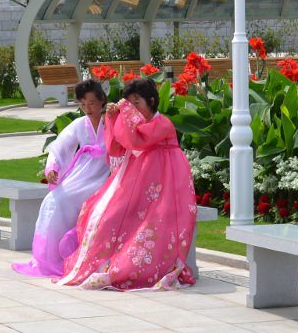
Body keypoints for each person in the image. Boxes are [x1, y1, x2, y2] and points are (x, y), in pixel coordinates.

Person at [56, 78, 197, 290]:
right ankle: (104, 261)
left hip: (167, 184)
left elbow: (136, 141)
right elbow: (116, 148)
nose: (133, 110)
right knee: (103, 213)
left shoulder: (162, 124)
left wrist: (122, 114)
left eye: (137, 103)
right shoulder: (136, 125)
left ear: (151, 101)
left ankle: (132, 267)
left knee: (152, 224)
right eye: (130, 104)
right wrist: (113, 119)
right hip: (139, 182)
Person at [12, 79, 110, 278]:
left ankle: (73, 253)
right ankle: (52, 257)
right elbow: (59, 147)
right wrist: (53, 167)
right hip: (82, 174)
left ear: (102, 100)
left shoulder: (112, 122)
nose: (87, 108)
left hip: (106, 174)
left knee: (73, 201)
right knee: (54, 200)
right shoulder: (79, 125)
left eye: (91, 103)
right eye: (82, 104)